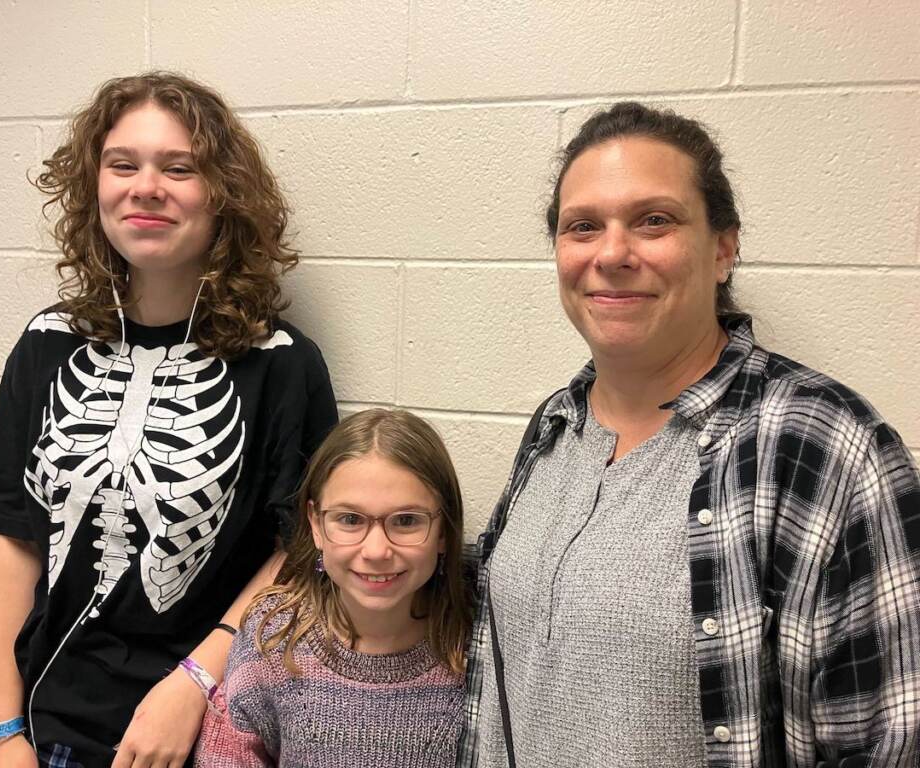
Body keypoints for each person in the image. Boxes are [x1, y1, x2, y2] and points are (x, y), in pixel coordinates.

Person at [459, 102, 920, 767]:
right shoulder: (554, 430)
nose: (613, 253)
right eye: (583, 226)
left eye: (654, 221)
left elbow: (889, 744)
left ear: (723, 248)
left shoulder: (825, 447)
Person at [0, 72, 338, 768]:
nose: (145, 186)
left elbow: (297, 554)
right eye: (122, 164)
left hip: (198, 732)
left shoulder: (281, 363)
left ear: (223, 195)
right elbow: (13, 536)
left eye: (179, 168)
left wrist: (193, 683)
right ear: (92, 186)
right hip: (46, 727)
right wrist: (3, 734)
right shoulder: (48, 342)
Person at [194, 408, 472, 767]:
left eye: (406, 521)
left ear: (444, 531)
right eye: (350, 519)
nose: (376, 551)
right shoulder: (272, 641)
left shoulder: (476, 646)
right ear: (315, 524)